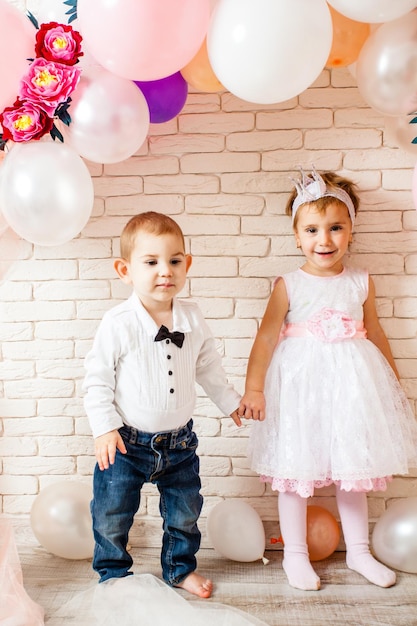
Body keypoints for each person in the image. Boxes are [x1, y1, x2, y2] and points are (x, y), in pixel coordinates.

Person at [238, 168, 417, 591]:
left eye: (336, 228)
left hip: (353, 389)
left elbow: (375, 332)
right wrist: (254, 388)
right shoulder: (288, 284)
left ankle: (358, 551)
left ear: (351, 231)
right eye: (313, 229)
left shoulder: (361, 281)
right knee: (295, 467)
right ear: (297, 235)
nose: (325, 240)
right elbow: (265, 339)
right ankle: (296, 555)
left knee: (352, 470)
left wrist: (393, 388)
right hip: (301, 391)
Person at [83, 211, 242, 599]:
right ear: (125, 270)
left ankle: (179, 569)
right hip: (125, 444)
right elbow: (97, 378)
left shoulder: (192, 317)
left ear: (187, 264)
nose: (164, 271)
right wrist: (104, 427)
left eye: (174, 261)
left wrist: (230, 402)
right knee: (112, 513)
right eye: (151, 262)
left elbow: (208, 366)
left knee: (185, 513)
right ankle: (113, 573)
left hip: (180, 445)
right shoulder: (118, 322)